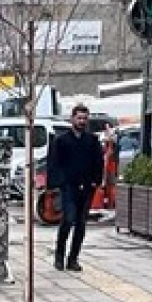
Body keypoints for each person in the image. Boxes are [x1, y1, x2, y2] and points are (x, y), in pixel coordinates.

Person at [46, 104, 104, 272]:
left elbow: (98, 163)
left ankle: (73, 259)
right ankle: (59, 255)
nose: (82, 121)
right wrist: (58, 183)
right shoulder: (61, 141)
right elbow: (54, 163)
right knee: (68, 219)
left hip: (86, 187)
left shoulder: (92, 141)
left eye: (85, 118)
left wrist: (95, 182)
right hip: (68, 187)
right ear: (72, 119)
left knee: (80, 223)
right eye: (79, 118)